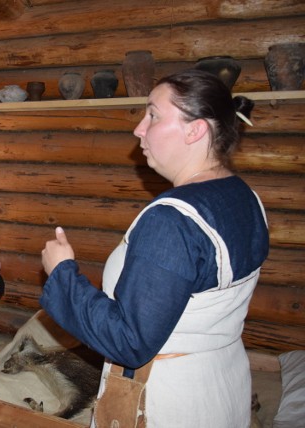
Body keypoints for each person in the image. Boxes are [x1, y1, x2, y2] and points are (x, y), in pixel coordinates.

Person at [40, 69, 269, 427]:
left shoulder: (172, 220)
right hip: (221, 383)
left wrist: (62, 272)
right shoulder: (245, 197)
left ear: (196, 130)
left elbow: (130, 341)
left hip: (170, 400)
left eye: (153, 115)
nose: (139, 129)